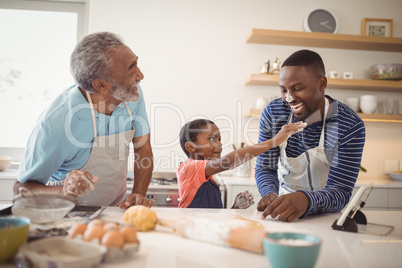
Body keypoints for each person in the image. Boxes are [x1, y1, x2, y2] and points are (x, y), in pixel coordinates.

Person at [13, 32, 153, 208]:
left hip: (112, 211)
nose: (140, 76)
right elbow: (20, 189)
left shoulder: (132, 95)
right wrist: (63, 191)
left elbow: (143, 149)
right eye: (131, 70)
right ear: (101, 85)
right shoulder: (56, 123)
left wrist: (138, 193)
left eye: (136, 64)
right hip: (65, 216)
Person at [255, 49, 366, 222]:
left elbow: (340, 191)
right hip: (281, 212)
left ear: (322, 83)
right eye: (284, 90)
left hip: (326, 216)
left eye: (297, 88)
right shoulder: (274, 113)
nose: (289, 98)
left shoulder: (349, 125)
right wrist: (269, 193)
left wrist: (305, 200)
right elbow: (265, 167)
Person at [177, 119, 306, 208]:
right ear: (191, 147)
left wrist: (234, 208)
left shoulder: (209, 179)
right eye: (211, 138)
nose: (220, 143)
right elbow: (227, 162)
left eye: (219, 139)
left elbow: (214, 216)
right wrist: (274, 141)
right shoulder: (188, 168)